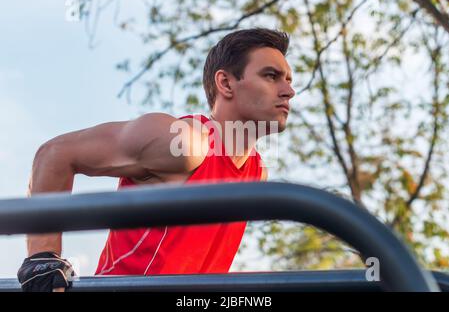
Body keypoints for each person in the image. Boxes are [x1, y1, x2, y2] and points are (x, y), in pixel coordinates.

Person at [17, 28, 295, 292]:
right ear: (225, 83)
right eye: (271, 76)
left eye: (288, 80)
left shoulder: (256, 173)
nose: (288, 91)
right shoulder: (185, 144)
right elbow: (55, 154)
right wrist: (43, 258)